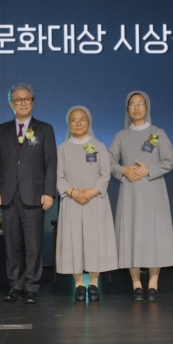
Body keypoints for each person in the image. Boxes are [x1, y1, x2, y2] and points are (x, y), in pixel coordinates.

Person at [0, 83, 57, 304]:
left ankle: (31, 287)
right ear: (11, 104)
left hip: (35, 195)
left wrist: (49, 192)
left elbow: (51, 163)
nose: (23, 103)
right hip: (8, 196)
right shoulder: (2, 130)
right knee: (12, 245)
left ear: (33, 102)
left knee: (34, 245)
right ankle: (15, 286)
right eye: (18, 100)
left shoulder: (45, 129)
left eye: (27, 99)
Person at [109, 91, 173, 302]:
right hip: (130, 192)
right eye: (132, 104)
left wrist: (149, 171)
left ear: (147, 108)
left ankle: (153, 284)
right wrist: (123, 171)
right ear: (127, 109)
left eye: (141, 104)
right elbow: (109, 163)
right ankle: (137, 284)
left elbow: (168, 161)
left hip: (153, 191)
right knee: (131, 235)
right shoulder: (121, 136)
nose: (136, 108)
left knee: (153, 236)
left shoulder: (158, 133)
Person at [56, 106, 118, 302]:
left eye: (82, 119)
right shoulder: (62, 149)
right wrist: (73, 192)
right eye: (74, 120)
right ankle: (78, 285)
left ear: (89, 122)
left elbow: (105, 174)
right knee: (74, 243)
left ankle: (93, 283)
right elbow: (58, 177)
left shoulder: (99, 146)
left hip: (95, 202)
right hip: (72, 201)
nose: (78, 123)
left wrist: (91, 192)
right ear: (69, 123)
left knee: (94, 242)